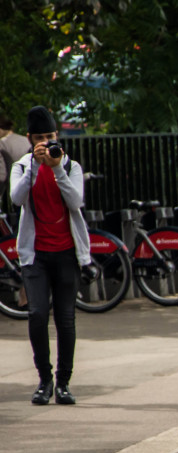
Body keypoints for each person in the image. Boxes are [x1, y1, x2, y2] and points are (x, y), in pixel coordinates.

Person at [9, 106, 90, 404]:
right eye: (40, 138)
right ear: (30, 139)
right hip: (36, 255)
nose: (47, 142)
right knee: (37, 313)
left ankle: (63, 383)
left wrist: (55, 168)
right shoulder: (22, 167)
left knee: (65, 318)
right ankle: (44, 379)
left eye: (51, 136)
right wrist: (35, 164)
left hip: (67, 253)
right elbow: (17, 198)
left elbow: (75, 201)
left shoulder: (70, 167)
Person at [1, 115, 33, 206]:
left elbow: (2, 175)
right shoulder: (26, 140)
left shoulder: (2, 143)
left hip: (12, 188)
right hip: (32, 183)